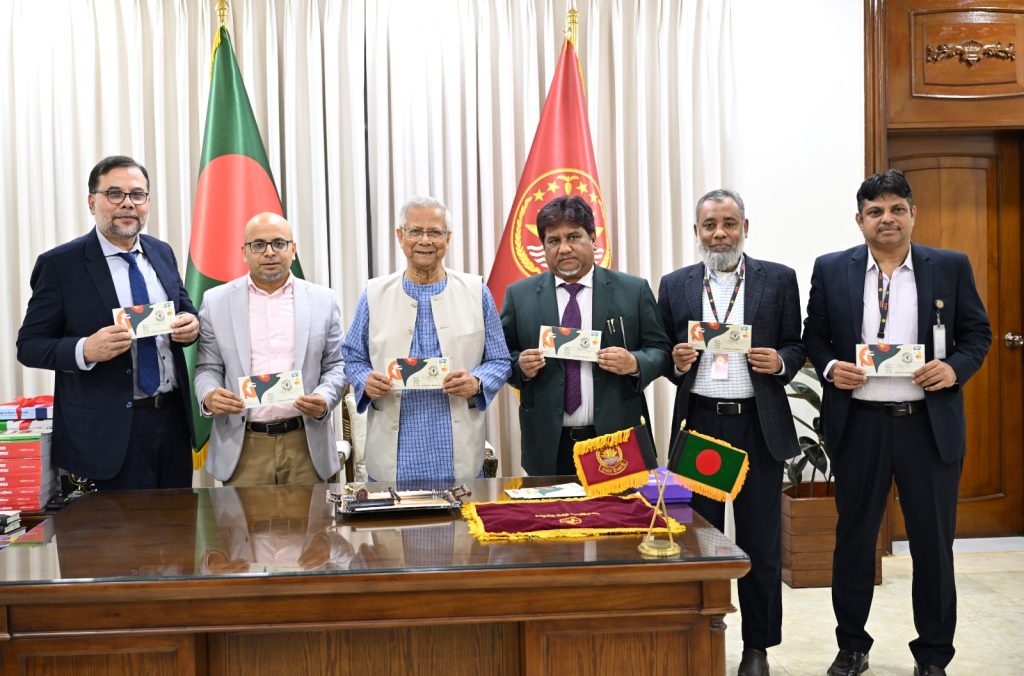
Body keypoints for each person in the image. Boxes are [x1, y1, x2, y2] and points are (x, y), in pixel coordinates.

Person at [803, 170, 991, 676]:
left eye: (896, 209)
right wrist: (829, 367)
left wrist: (955, 368)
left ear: (913, 214)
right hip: (860, 425)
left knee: (933, 546)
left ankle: (933, 655)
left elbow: (978, 333)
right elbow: (814, 334)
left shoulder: (949, 266)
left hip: (926, 427)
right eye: (875, 211)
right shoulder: (832, 268)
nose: (886, 219)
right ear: (859, 219)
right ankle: (852, 646)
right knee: (854, 540)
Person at [658, 188, 804, 676]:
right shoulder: (675, 285)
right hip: (702, 423)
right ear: (697, 231)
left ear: (745, 227)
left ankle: (757, 648)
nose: (719, 233)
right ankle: (702, 638)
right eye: (710, 225)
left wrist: (780, 361)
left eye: (728, 223)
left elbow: (796, 344)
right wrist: (677, 361)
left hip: (758, 424)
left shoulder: (778, 279)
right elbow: (664, 352)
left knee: (760, 541)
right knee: (700, 540)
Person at [17, 155, 199, 489]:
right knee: (112, 525)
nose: (128, 203)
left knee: (178, 522)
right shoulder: (61, 265)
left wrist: (191, 324)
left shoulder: (162, 252)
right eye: (115, 194)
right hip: (104, 434)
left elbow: (185, 309)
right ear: (92, 202)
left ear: (147, 202)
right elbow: (29, 346)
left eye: (137, 194)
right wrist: (85, 349)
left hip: (172, 422)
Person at [341, 196, 511, 482]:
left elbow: (500, 360)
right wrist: (364, 380)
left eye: (435, 232)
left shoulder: (475, 292)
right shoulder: (374, 294)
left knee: (463, 512)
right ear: (400, 236)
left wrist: (477, 382)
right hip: (393, 456)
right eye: (415, 231)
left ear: (448, 238)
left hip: (458, 454)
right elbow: (352, 356)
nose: (425, 240)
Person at [500, 195, 671, 475]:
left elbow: (661, 350)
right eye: (553, 240)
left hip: (616, 438)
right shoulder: (519, 296)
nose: (564, 248)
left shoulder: (633, 290)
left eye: (573, 237)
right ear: (543, 246)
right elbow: (501, 357)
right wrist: (520, 367)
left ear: (593, 239)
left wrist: (634, 363)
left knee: (617, 507)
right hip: (548, 444)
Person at [193, 212, 347, 486]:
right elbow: (208, 367)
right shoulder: (216, 302)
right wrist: (209, 395)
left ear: (293, 249)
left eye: (279, 243)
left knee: (313, 517)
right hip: (243, 445)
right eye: (258, 245)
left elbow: (337, 365)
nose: (269, 252)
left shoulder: (323, 300)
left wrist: (324, 397)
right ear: (244, 252)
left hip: (306, 442)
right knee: (241, 518)